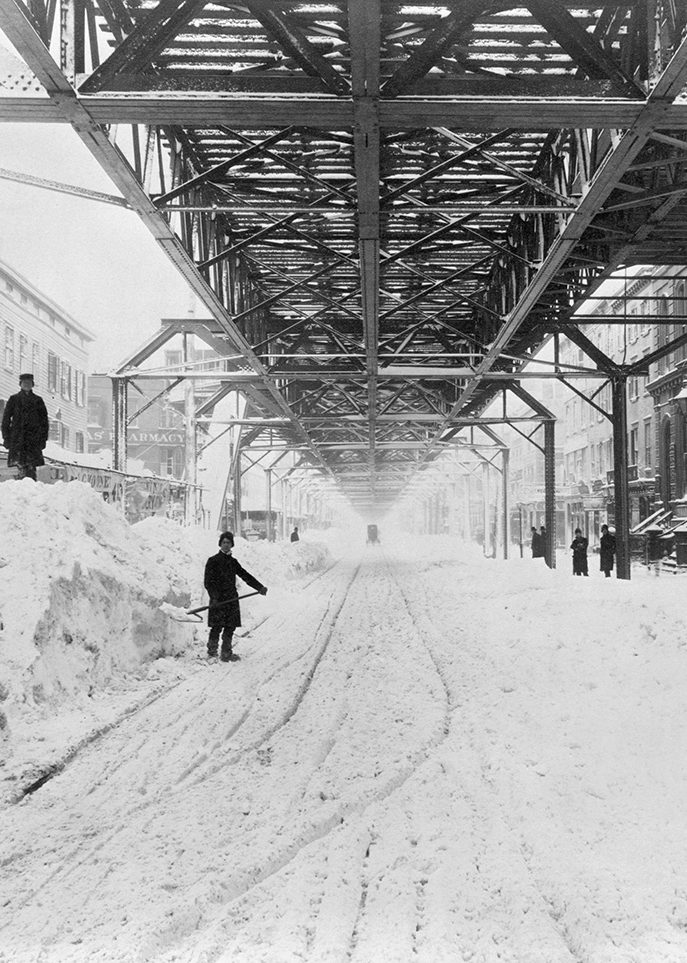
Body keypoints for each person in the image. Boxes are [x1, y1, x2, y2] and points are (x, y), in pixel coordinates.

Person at [204, 531, 267, 662]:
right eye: (224, 542)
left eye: (228, 542)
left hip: (231, 598)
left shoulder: (233, 562)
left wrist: (259, 587)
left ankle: (226, 652)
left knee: (230, 626)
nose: (226, 545)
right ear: (220, 544)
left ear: (232, 545)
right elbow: (208, 582)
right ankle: (212, 651)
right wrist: (214, 597)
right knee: (217, 626)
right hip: (218, 599)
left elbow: (245, 576)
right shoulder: (213, 561)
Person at [1, 373, 49, 481]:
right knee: (17, 469)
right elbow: (6, 421)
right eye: (24, 383)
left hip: (33, 442)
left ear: (32, 385)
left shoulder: (38, 401)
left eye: (29, 383)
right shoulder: (14, 399)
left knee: (32, 470)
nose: (26, 385)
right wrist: (6, 438)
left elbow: (44, 423)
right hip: (17, 440)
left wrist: (43, 440)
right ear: (20, 384)